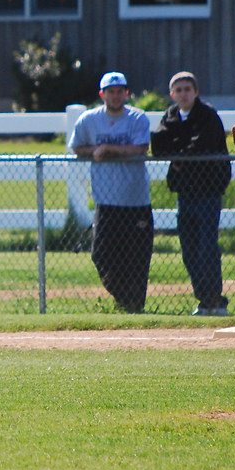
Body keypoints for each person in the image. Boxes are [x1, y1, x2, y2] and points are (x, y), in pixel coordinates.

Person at [68, 72, 153, 313]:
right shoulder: (89, 119)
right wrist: (95, 149)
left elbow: (140, 148)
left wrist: (107, 148)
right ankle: (124, 299)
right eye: (110, 91)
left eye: (119, 91)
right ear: (102, 94)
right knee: (102, 254)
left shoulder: (137, 118)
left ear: (126, 93)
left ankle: (135, 306)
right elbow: (77, 147)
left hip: (136, 200)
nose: (115, 96)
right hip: (106, 200)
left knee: (136, 257)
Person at [151, 71, 231, 316]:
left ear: (196, 92)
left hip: (208, 191)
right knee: (188, 249)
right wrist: (181, 156)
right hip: (184, 192)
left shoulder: (208, 115)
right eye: (179, 90)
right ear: (172, 94)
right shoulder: (171, 115)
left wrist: (178, 155)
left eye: (188, 89)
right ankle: (203, 300)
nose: (183, 94)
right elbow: (158, 145)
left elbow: (202, 145)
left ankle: (215, 301)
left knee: (207, 247)